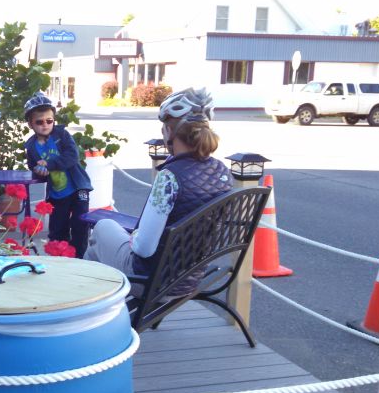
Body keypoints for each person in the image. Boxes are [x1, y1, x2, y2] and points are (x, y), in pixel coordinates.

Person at [83, 87, 232, 295]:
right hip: (190, 278)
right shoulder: (222, 172)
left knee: (103, 227)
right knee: (106, 240)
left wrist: (134, 236)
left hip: (152, 282)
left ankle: (88, 300)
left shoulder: (169, 178)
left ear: (169, 132)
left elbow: (144, 248)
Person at [23, 93, 93, 258]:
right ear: (30, 124)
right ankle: (60, 260)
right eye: (39, 122)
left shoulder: (62, 135)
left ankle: (79, 259)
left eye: (49, 121)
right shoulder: (31, 146)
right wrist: (38, 171)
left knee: (79, 226)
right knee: (57, 230)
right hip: (57, 193)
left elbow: (72, 156)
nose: (45, 125)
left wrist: (49, 164)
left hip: (77, 188)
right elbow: (33, 165)